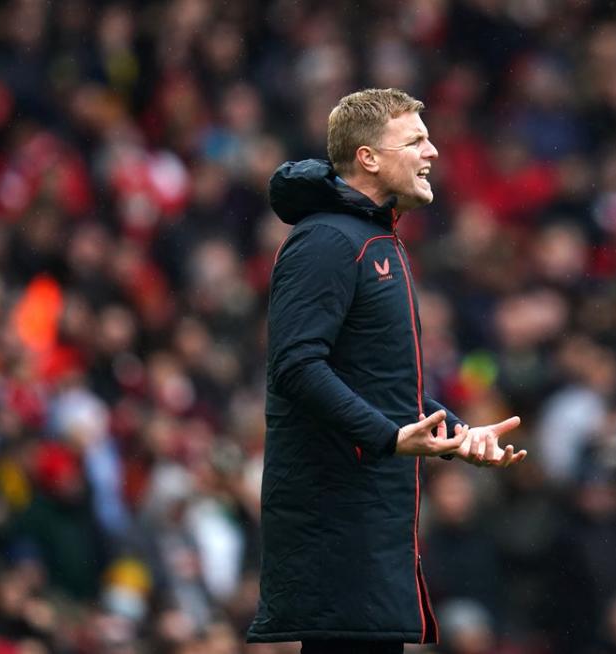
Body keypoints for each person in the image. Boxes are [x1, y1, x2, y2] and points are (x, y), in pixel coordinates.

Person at [246, 88, 527, 654]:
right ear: (369, 157)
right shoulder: (326, 239)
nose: (434, 152)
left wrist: (456, 436)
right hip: (336, 517)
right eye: (416, 139)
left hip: (371, 515)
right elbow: (296, 367)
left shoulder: (378, 240)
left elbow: (385, 388)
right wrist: (386, 438)